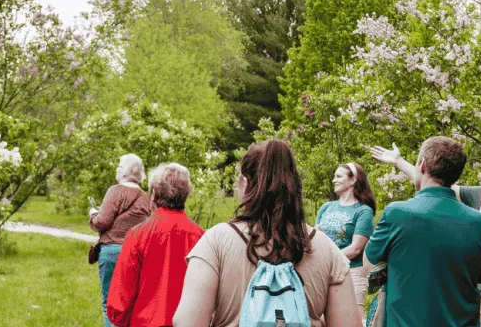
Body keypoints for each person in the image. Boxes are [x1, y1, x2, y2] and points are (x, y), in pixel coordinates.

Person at [173, 139, 361, 327]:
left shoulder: (216, 241)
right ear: (294, 185)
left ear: (243, 182)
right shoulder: (326, 249)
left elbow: (187, 322)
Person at [364, 136, 481, 326]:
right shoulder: (478, 222)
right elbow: (476, 276)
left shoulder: (396, 213)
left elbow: (368, 263)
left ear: (421, 164)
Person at [106, 163, 204, 327]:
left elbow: (121, 297)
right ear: (186, 194)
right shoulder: (201, 237)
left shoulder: (137, 235)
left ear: (153, 195)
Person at [90, 153, 152, 327]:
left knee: (109, 302)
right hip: (135, 254)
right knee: (131, 302)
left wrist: (93, 214)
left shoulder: (115, 191)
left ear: (125, 172)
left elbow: (102, 222)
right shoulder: (145, 197)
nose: (117, 168)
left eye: (119, 165)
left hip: (111, 252)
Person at [315, 162, 375, 319]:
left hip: (351, 274)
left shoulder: (363, 211)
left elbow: (355, 248)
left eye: (338, 176)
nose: (334, 180)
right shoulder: (326, 207)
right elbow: (315, 238)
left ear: (353, 180)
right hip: (323, 272)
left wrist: (326, 259)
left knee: (347, 321)